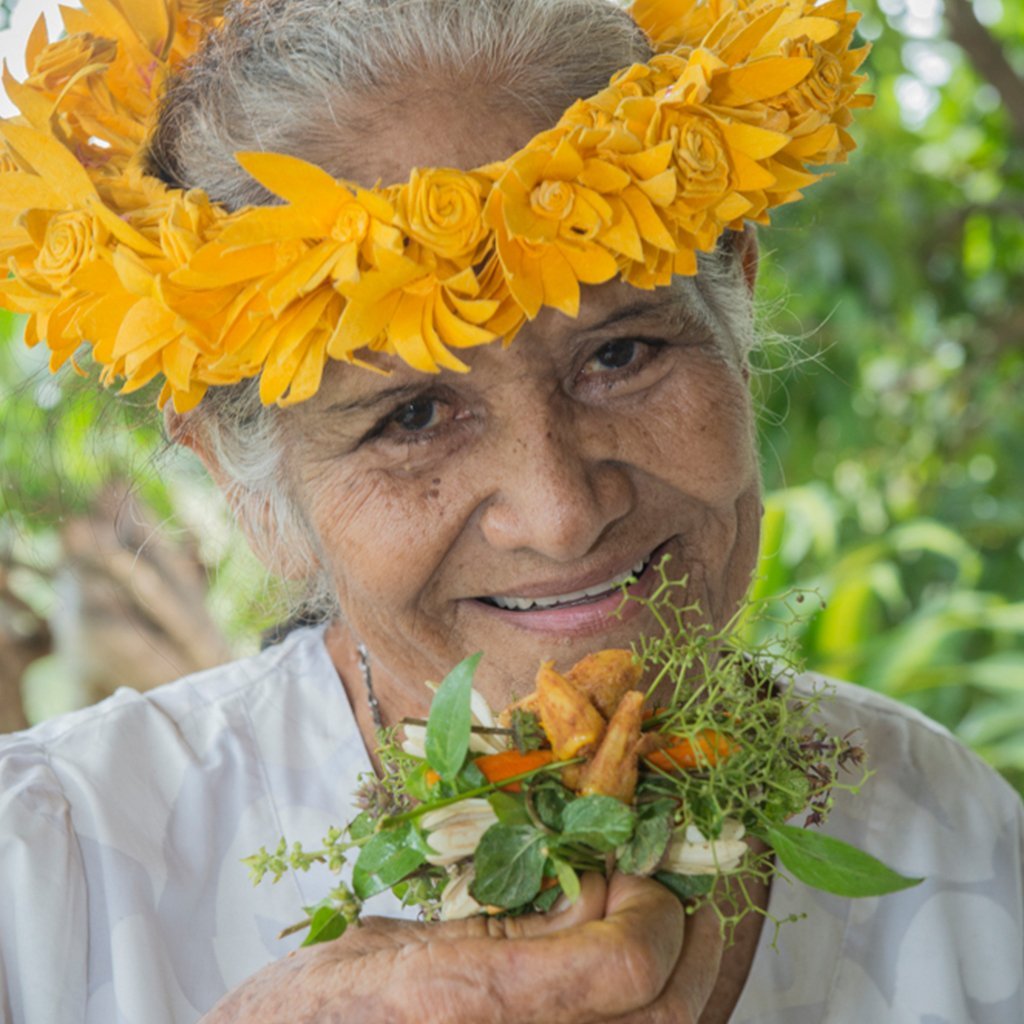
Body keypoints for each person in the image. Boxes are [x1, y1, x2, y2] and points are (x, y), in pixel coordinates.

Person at [0, 0, 1021, 1022]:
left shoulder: (946, 835)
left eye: (620, 353)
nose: (560, 512)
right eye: (412, 415)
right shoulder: (48, 880)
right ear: (245, 485)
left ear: (735, 304)